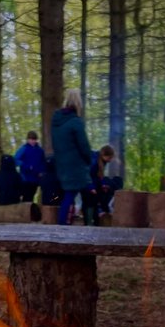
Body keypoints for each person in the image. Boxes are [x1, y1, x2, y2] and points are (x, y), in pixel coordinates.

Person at [49, 88, 96, 225]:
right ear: (78, 103)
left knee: (72, 194)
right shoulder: (75, 122)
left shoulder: (56, 121)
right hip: (76, 167)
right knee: (75, 195)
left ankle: (69, 224)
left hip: (62, 165)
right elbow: (84, 146)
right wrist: (89, 160)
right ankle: (64, 225)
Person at [93, 144, 124, 220]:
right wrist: (92, 187)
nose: (110, 160)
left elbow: (101, 175)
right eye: (110, 158)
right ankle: (98, 211)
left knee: (113, 182)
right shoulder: (94, 161)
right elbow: (91, 176)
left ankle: (102, 210)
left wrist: (103, 184)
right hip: (89, 184)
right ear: (105, 155)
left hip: (96, 182)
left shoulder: (103, 161)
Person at [14, 131, 46, 202]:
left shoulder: (40, 150)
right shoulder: (24, 149)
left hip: (36, 178)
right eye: (31, 139)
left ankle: (29, 212)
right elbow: (16, 159)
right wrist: (26, 166)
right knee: (26, 197)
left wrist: (42, 171)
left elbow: (43, 162)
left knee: (31, 196)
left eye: (34, 139)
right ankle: (24, 212)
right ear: (28, 140)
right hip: (25, 177)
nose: (33, 141)